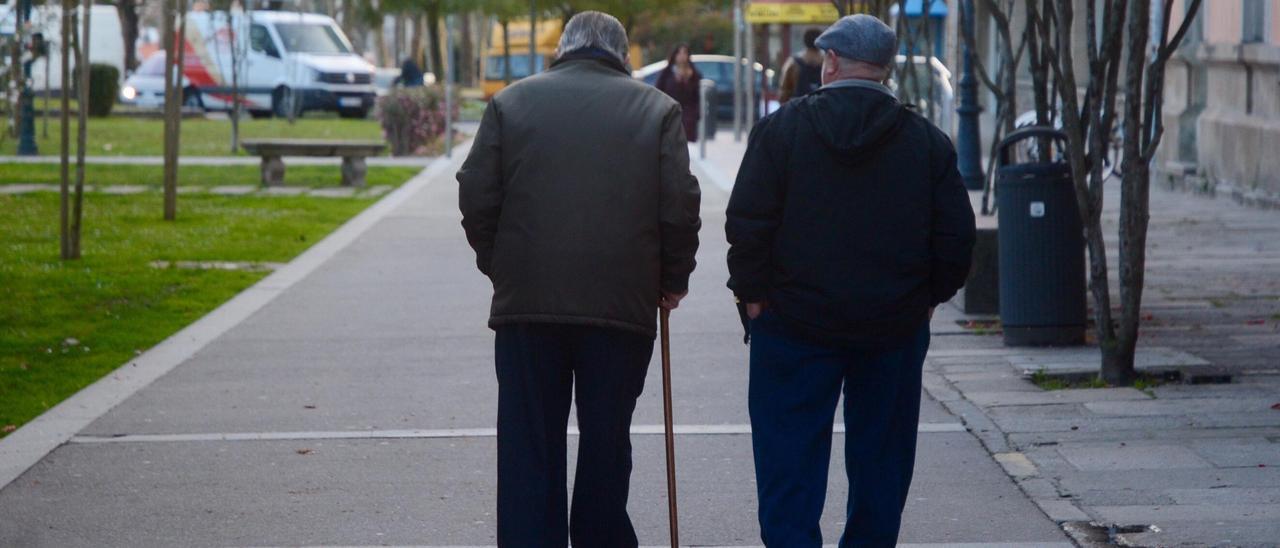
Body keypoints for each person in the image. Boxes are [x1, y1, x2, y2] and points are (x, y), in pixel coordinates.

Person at [725, 14, 975, 547]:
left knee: (788, 459)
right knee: (881, 463)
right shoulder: (925, 142)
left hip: (792, 324)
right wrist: (930, 297)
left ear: (831, 62)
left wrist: (752, 296)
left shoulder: (781, 130)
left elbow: (748, 222)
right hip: (892, 327)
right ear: (885, 70)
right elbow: (956, 236)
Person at [456, 11, 701, 548]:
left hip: (528, 307)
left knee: (528, 444)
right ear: (623, 53)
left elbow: (476, 192)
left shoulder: (510, 104)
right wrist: (672, 278)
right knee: (606, 441)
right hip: (621, 306)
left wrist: (499, 265)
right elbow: (679, 206)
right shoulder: (657, 110)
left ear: (563, 48)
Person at [655, 43, 703, 142]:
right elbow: (659, 92)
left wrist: (696, 115)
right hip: (670, 115)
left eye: (684, 53)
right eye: (679, 53)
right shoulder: (667, 73)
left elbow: (697, 97)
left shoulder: (694, 75)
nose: (682, 56)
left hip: (688, 119)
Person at [778, 28, 824, 103]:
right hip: (822, 110)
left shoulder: (793, 63)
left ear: (804, 41)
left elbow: (783, 93)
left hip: (798, 110)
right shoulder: (828, 63)